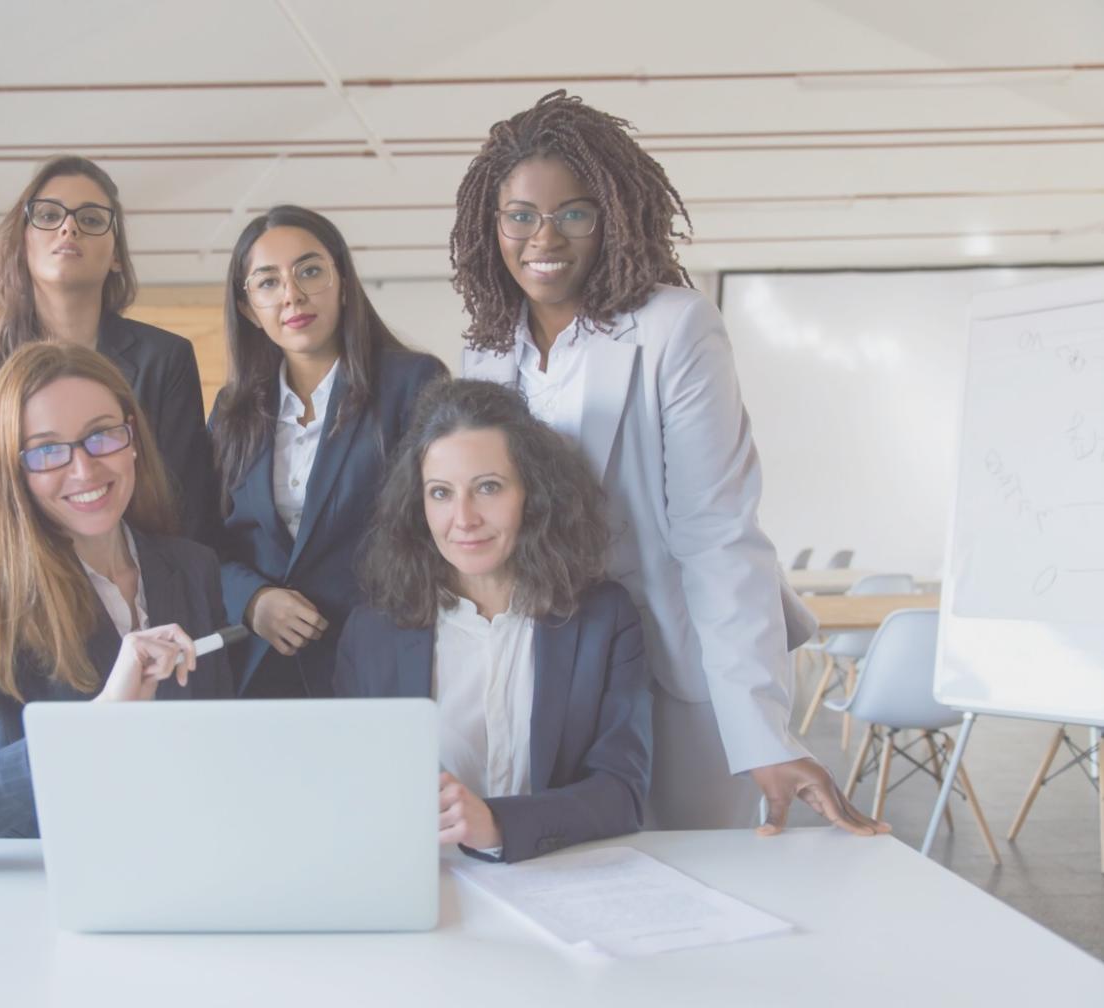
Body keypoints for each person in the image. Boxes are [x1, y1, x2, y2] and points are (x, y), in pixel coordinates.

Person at [451, 90, 886, 835]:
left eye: (574, 212)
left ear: (614, 216)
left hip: (672, 662)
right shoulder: (487, 352)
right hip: (548, 664)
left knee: (696, 878)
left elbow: (714, 533)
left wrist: (759, 730)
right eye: (519, 215)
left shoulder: (674, 328)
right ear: (491, 226)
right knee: (568, 875)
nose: (542, 237)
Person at [0, 156, 215, 765]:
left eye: (91, 219)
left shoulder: (164, 358)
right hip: (24, 603)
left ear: (115, 253)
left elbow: (187, 507)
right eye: (50, 216)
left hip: (140, 603)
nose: (69, 231)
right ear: (23, 242)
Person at [0, 342, 233, 870]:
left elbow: (219, 747)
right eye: (47, 450)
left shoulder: (193, 567)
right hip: (52, 885)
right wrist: (92, 726)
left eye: (102, 435)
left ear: (132, 441)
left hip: (187, 866)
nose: (84, 469)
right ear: (14, 472)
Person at [334, 379, 650, 861]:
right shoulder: (373, 631)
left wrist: (498, 825)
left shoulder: (604, 618)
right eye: (440, 493)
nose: (463, 518)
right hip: (423, 882)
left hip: (559, 878)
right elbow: (349, 788)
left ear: (533, 494)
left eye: (487, 488)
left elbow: (622, 793)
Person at [212, 206, 447, 697]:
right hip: (260, 669)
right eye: (268, 283)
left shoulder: (413, 383)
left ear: (341, 279)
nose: (292, 295)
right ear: (246, 307)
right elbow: (203, 540)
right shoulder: (232, 411)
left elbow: (432, 533)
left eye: (310, 271)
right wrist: (252, 600)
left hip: (378, 660)